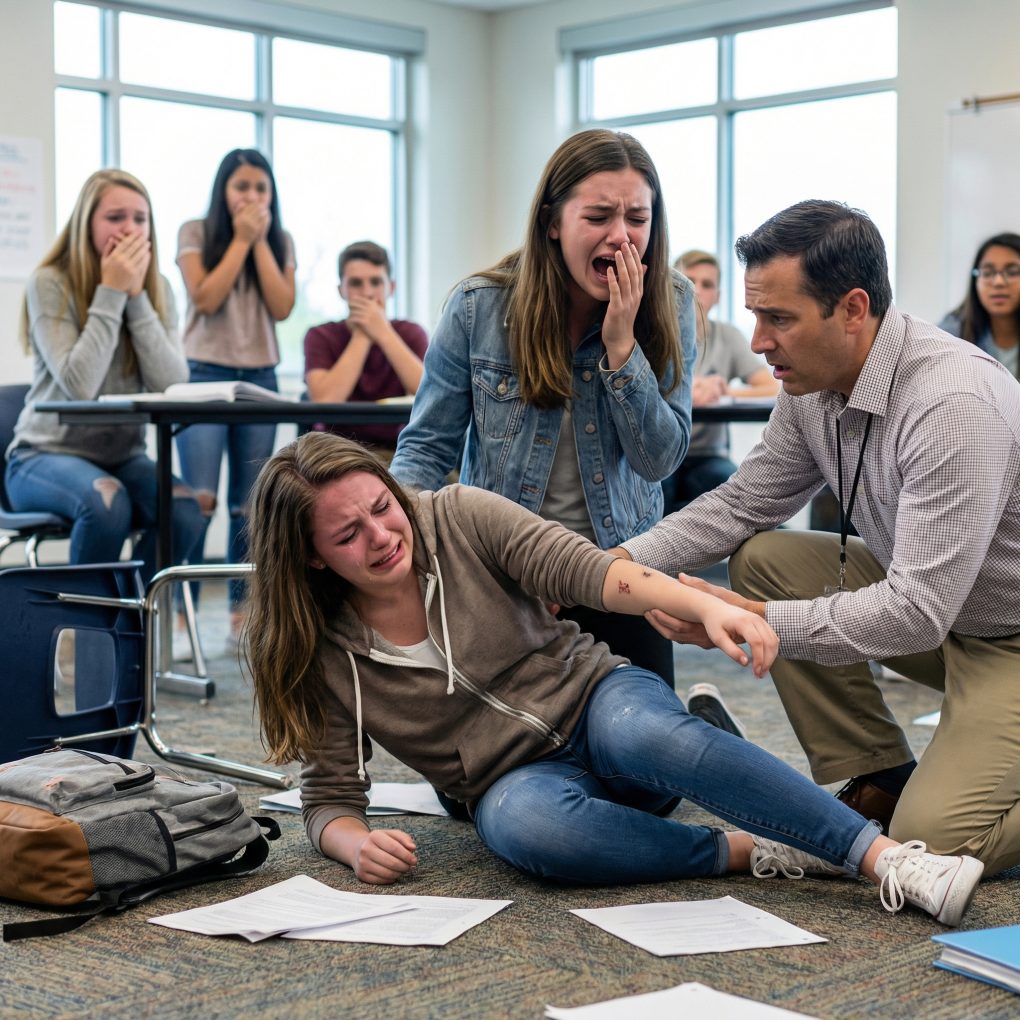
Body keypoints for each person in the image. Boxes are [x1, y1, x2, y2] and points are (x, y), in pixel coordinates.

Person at [243, 431, 983, 927]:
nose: (382, 536)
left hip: (598, 701)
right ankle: (749, 847)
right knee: (524, 831)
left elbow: (596, 573)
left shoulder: (457, 516)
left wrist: (704, 606)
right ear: (311, 558)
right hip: (515, 780)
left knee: (648, 731)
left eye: (383, 507)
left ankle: (881, 858)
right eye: (349, 535)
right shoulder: (316, 651)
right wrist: (352, 844)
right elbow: (330, 798)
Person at [618, 200, 1020, 878]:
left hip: (1005, 635)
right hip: (950, 619)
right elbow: (745, 502)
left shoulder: (952, 405)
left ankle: (927, 797)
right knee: (768, 558)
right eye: (755, 315)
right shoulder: (810, 386)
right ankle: (879, 773)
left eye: (779, 318)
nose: (757, 341)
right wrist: (617, 564)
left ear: (853, 308)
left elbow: (916, 611)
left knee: (934, 839)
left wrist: (751, 622)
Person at [389, 129, 697, 685]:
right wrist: (399, 549)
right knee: (505, 759)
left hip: (621, 570)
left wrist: (622, 349)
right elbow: (426, 447)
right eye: (599, 216)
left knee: (640, 750)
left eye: (637, 219)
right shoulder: (478, 307)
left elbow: (659, 461)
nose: (621, 237)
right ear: (553, 223)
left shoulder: (671, 301)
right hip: (506, 574)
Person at [5, 168, 203, 583]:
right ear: (87, 223)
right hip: (41, 457)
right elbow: (80, 385)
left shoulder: (158, 288)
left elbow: (170, 382)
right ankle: (85, 636)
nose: (129, 229)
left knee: (185, 511)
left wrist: (136, 298)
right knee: (107, 507)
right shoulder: (49, 282)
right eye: (115, 218)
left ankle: (129, 628)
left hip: (123, 458)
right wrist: (111, 290)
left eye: (139, 218)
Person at [175, 148, 296, 642]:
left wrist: (260, 241)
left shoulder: (280, 239)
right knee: (200, 498)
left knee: (248, 503)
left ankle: (241, 612)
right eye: (241, 186)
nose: (250, 197)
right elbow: (205, 296)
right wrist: (241, 240)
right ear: (222, 190)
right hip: (203, 373)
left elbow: (283, 306)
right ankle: (179, 609)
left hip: (260, 376)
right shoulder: (195, 232)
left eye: (260, 188)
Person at [661, 250, 778, 512]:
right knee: (651, 501)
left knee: (746, 498)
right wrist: (686, 391)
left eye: (707, 284)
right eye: (689, 281)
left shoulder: (727, 336)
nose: (696, 291)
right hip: (661, 457)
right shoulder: (654, 335)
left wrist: (723, 391)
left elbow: (771, 386)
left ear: (718, 296)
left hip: (707, 457)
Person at [303, 240, 427, 462]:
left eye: (376, 282)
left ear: (391, 288)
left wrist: (383, 333)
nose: (367, 293)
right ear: (341, 290)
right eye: (356, 283)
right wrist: (363, 335)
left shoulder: (411, 333)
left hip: (400, 453)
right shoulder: (320, 336)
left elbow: (427, 393)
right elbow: (326, 400)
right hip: (334, 455)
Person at [939, 232, 1020, 378]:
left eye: (1013, 271)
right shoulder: (950, 334)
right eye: (988, 273)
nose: (998, 282)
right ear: (976, 280)